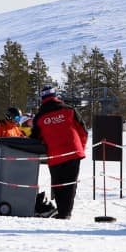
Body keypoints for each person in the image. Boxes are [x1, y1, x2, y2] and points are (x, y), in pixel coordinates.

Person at [28, 85, 88, 220]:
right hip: (73, 152)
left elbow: (35, 139)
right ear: (56, 96)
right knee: (70, 184)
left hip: (55, 155)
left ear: (42, 98)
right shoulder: (69, 110)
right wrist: (80, 148)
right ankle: (66, 213)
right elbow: (83, 130)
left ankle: (63, 213)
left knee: (58, 184)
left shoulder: (40, 117)